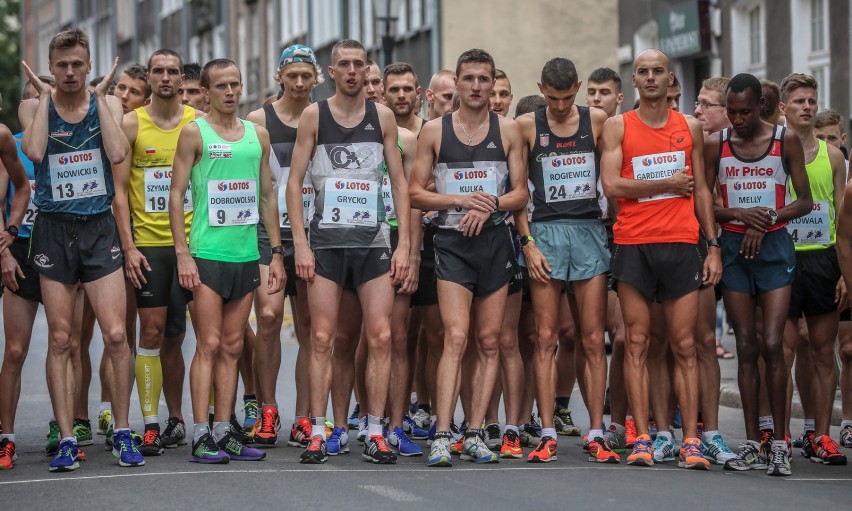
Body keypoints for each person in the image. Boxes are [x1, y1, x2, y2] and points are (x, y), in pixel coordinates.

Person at [19, 28, 143, 472]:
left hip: (97, 229)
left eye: (77, 64)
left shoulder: (107, 104)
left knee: (114, 335)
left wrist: (100, 99)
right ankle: (68, 435)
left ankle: (124, 431)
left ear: (88, 67)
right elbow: (34, 151)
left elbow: (117, 153)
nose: (70, 72)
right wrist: (47, 99)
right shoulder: (34, 106)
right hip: (53, 229)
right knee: (60, 338)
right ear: (51, 69)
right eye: (62, 65)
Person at [286, 39, 410, 465]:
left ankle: (374, 431)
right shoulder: (314, 115)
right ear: (332, 71)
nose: (353, 71)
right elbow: (294, 181)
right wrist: (300, 243)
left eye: (359, 64)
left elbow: (399, 183)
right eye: (345, 65)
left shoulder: (383, 116)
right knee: (322, 338)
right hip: (326, 244)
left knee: (381, 337)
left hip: (373, 244)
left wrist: (405, 245)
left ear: (366, 69)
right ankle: (318, 431)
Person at [600, 48, 720, 471]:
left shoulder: (689, 126)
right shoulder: (618, 126)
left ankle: (690, 439)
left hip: (682, 243)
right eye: (643, 72)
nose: (651, 78)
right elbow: (612, 184)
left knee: (685, 344)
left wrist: (714, 246)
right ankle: (644, 438)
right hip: (634, 244)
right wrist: (665, 182)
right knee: (636, 342)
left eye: (658, 72)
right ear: (634, 80)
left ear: (670, 80)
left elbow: (702, 190)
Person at [410, 48, 528, 467]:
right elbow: (415, 193)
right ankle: (443, 433)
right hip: (452, 241)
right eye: (470, 79)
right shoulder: (435, 132)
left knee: (490, 341)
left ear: (493, 83)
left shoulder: (509, 129)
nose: (477, 87)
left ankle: (475, 431)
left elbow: (520, 194)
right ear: (456, 83)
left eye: (484, 79)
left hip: (495, 242)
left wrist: (490, 203)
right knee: (455, 338)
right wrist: (460, 199)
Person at [169, 58, 284, 464]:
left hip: (246, 255)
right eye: (221, 86)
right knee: (210, 344)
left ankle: (223, 428)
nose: (231, 92)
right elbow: (176, 194)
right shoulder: (193, 133)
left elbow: (268, 196)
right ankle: (200, 433)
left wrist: (276, 252)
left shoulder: (258, 136)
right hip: (206, 256)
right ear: (205, 91)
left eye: (235, 84)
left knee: (234, 347)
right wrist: (183, 254)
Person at [703, 72, 811, 476]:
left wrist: (766, 219)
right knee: (746, 345)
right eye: (731, 111)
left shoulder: (785, 141)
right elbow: (704, 204)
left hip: (775, 246)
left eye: (745, 111)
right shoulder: (718, 143)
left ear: (759, 107)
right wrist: (737, 214)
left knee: (773, 344)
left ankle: (779, 443)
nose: (737, 119)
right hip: (732, 249)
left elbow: (804, 201)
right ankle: (752, 441)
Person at [516, 57, 612, 463]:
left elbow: (611, 181)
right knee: (545, 338)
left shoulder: (599, 120)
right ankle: (548, 431)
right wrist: (527, 243)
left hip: (589, 231)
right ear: (541, 89)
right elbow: (518, 191)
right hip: (547, 233)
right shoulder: (526, 126)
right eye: (552, 99)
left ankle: (596, 432)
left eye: (567, 97)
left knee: (592, 339)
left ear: (578, 88)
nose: (559, 106)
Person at [112, 49, 202, 456]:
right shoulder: (131, 124)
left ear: (182, 78)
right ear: (148, 77)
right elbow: (117, 195)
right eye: (158, 71)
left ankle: (181, 418)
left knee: (184, 337)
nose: (166, 78)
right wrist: (129, 247)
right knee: (149, 334)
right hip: (149, 247)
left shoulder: (197, 124)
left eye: (173, 71)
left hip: (195, 245)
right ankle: (149, 424)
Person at [245, 44, 323, 447]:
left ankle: (307, 416)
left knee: (310, 328)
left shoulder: (324, 119)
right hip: (268, 234)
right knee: (271, 318)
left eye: (305, 75)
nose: (298, 82)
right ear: (279, 76)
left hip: (313, 232)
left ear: (316, 79)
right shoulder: (259, 120)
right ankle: (268, 409)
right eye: (291, 75)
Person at [779, 73, 847, 465]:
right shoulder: (772, 153)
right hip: (783, 259)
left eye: (811, 100)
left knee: (823, 352)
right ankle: (783, 438)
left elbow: (843, 219)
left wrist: (844, 272)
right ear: (784, 108)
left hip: (823, 259)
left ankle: (822, 436)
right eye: (799, 101)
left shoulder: (833, 157)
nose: (807, 106)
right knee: (783, 352)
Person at [0, 97, 38, 470]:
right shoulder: (11, 140)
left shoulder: (75, 140)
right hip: (20, 252)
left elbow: (23, 188)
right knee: (14, 351)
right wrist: (6, 248)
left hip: (60, 248)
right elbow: (7, 194)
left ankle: (69, 430)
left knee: (68, 345)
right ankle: (6, 438)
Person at [383, 62, 424, 135]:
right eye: (394, 90)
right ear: (383, 94)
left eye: (407, 89)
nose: (401, 95)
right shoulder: (376, 135)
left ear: (418, 93)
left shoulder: (433, 133)